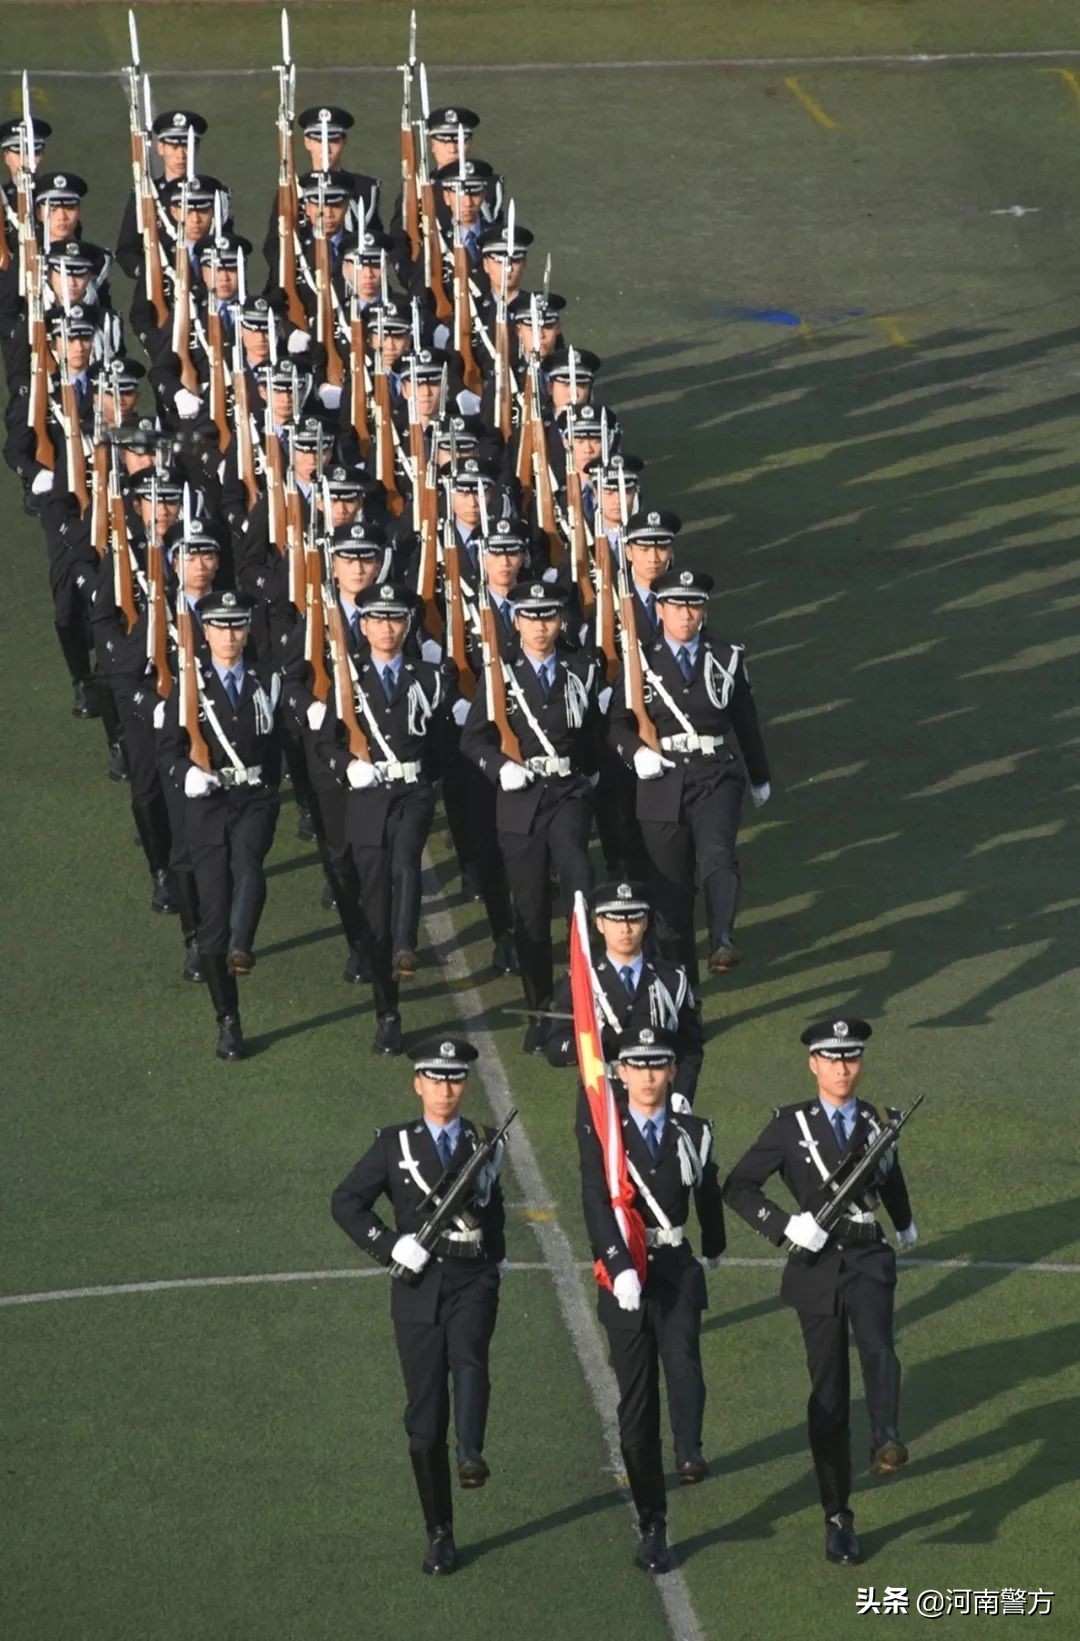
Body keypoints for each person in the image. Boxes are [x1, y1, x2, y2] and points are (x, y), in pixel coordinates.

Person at [722, 1017, 918, 1565]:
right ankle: (838, 1514)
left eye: (851, 1057)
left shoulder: (877, 1120)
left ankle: (885, 1436)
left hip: (868, 1256)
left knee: (879, 1345)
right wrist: (785, 1226)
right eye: (831, 1059)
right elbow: (737, 1186)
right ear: (813, 1064)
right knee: (828, 1393)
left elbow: (887, 1170)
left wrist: (902, 1219)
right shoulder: (791, 1125)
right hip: (815, 1267)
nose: (842, 1067)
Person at [331, 1036, 508, 1576]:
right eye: (436, 1078)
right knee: (423, 1421)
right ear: (418, 1084)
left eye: (455, 1079)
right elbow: (345, 1201)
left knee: (471, 1359)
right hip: (416, 1287)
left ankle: (471, 1453)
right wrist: (388, 1244)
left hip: (472, 1278)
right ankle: (439, 1531)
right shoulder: (395, 1145)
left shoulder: (483, 1140)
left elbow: (491, 1211)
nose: (446, 1088)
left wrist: (495, 1263)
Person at [577, 1026, 724, 1573]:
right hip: (626, 1274)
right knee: (636, 1404)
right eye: (635, 1066)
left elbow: (707, 1190)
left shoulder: (693, 1129)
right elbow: (595, 1200)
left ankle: (688, 1449)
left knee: (683, 1356)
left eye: (656, 1066)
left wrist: (715, 1246)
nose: (645, 1076)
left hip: (676, 1263)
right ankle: (652, 1521)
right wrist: (618, 1268)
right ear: (620, 1073)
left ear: (669, 1072)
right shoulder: (603, 1130)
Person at [608, 568, 771, 986]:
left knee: (718, 851)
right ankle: (685, 991)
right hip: (661, 778)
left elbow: (744, 720)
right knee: (671, 895)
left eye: (694, 605)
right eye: (677, 606)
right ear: (659, 609)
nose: (686, 615)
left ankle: (722, 938)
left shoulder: (726, 656)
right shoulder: (638, 660)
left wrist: (759, 776)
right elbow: (616, 725)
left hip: (715, 771)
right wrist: (637, 753)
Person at [158, 589, 283, 1060]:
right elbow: (167, 749)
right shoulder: (190, 685)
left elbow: (279, 744)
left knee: (248, 862)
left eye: (236, 626)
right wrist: (186, 774)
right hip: (207, 805)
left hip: (253, 799)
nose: (229, 635)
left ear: (247, 629)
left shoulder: (264, 679)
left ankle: (242, 942)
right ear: (204, 632)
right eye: (220, 626)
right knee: (210, 916)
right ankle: (228, 1019)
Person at [546, 881, 703, 1107]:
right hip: (603, 1107)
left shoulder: (673, 979)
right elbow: (555, 1048)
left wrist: (682, 1094)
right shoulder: (582, 982)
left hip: (660, 1103)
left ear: (645, 921)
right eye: (615, 920)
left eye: (634, 919)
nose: (625, 929)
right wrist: (592, 1044)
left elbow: (690, 1046)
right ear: (599, 924)